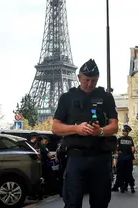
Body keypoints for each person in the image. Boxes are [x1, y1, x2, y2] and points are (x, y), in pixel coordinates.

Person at [52, 59, 119, 208]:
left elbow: (114, 126)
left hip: (101, 156)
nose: (89, 84)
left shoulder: (106, 97)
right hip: (76, 157)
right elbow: (55, 127)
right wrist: (76, 129)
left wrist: (100, 131)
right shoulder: (67, 98)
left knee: (100, 202)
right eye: (86, 80)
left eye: (93, 81)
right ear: (79, 77)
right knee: (72, 202)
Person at [112, 125, 135, 193]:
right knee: (129, 173)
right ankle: (131, 187)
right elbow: (133, 149)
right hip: (128, 159)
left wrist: (118, 152)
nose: (123, 132)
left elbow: (116, 148)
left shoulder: (120, 139)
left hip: (121, 158)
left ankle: (122, 187)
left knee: (120, 173)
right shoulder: (130, 139)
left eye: (123, 131)